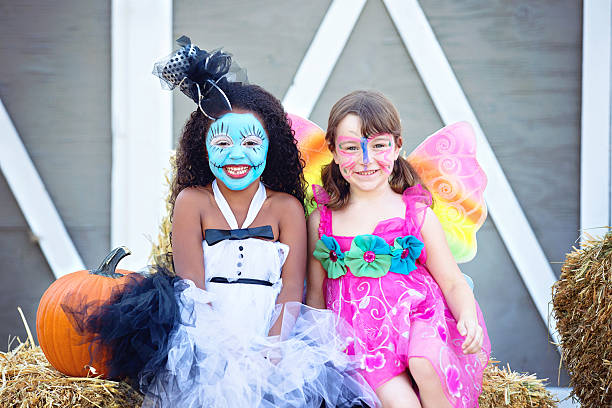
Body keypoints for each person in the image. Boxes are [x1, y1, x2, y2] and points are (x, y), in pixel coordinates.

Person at [68, 38, 378, 407]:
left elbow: (292, 285)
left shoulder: (286, 208)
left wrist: (275, 347)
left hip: (271, 334)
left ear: (271, 147)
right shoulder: (192, 202)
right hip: (207, 337)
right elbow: (192, 288)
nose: (236, 155)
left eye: (250, 143)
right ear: (203, 147)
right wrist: (224, 352)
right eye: (222, 143)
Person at [306, 90, 491, 408]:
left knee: (425, 361)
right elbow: (316, 296)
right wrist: (321, 351)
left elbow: (451, 281)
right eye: (351, 148)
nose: (366, 160)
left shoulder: (416, 214)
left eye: (379, 146)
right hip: (364, 342)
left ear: (397, 147)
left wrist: (468, 318)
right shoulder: (320, 222)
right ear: (334, 152)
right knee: (400, 403)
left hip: (421, 319)